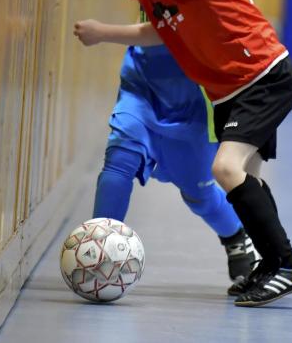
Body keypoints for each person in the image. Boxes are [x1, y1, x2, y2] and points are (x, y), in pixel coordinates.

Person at [46, 0, 292, 307]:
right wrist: (104, 32)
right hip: (229, 87)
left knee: (224, 171)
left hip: (262, 76)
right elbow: (163, 29)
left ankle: (288, 264)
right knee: (246, 179)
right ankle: (271, 261)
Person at [86, 22, 259, 287]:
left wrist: (102, 32)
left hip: (194, 100)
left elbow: (165, 29)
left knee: (198, 194)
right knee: (119, 164)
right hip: (142, 84)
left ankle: (235, 236)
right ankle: (99, 254)